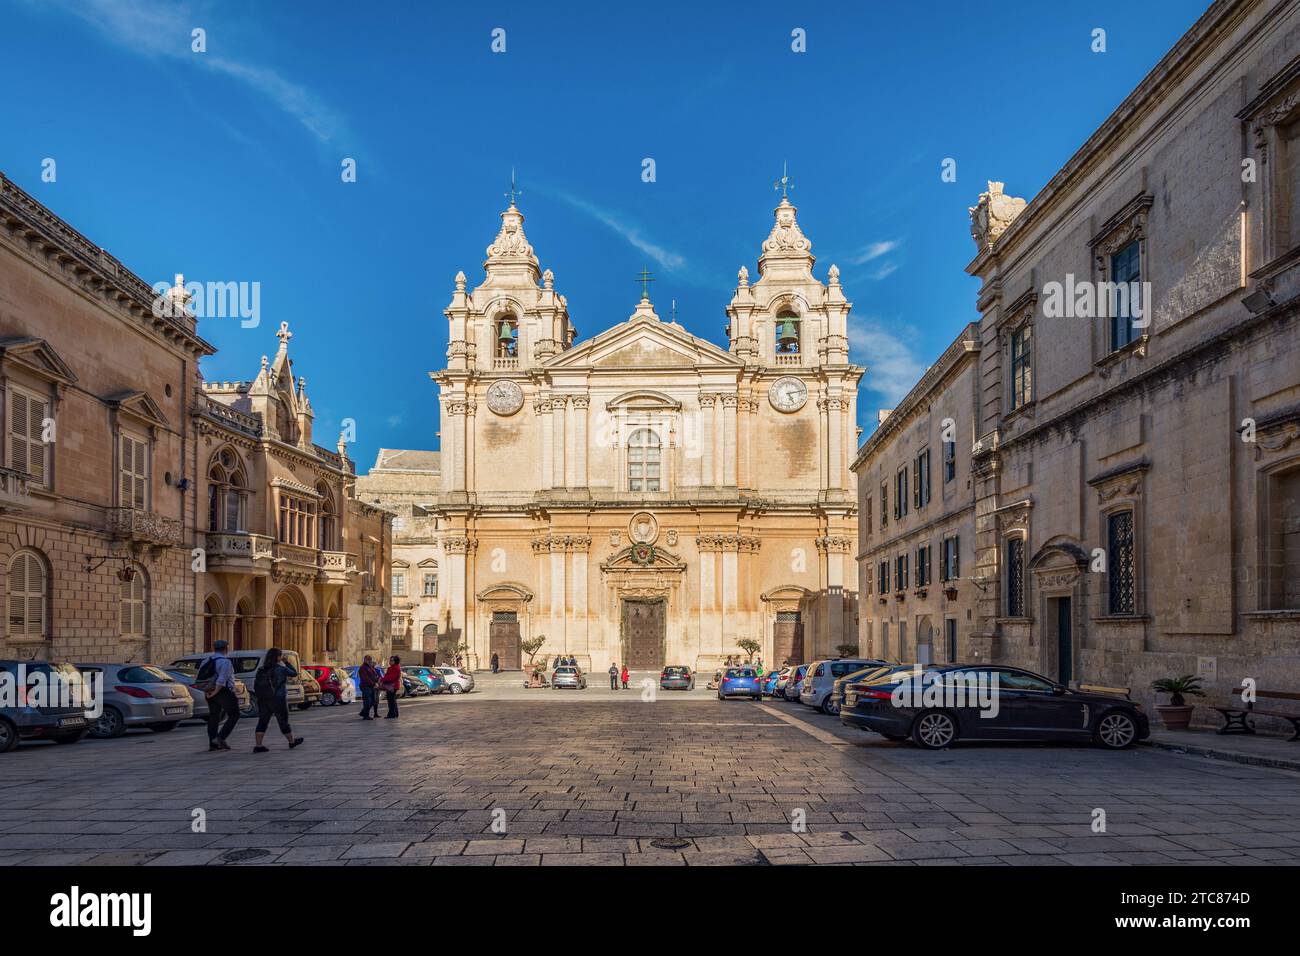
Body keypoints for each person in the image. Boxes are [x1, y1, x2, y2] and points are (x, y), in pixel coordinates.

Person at [252, 648, 303, 753]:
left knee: (262, 721)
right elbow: (294, 673)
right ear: (278, 657)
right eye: (280, 656)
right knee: (283, 721)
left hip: (263, 699)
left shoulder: (261, 669)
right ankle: (291, 741)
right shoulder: (280, 669)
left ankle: (258, 745)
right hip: (278, 699)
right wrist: (287, 662)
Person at [204, 639, 239, 752]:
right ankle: (220, 738)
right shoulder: (225, 662)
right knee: (234, 714)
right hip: (222, 691)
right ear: (226, 648)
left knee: (214, 716)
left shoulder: (207, 660)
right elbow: (221, 680)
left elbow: (202, 678)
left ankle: (212, 743)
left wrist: (209, 691)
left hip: (209, 691)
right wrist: (215, 692)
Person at [357, 655, 381, 719]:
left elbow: (374, 675)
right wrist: (373, 684)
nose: (370, 661)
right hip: (366, 686)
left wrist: (376, 680)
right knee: (367, 701)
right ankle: (366, 715)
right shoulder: (363, 668)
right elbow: (365, 678)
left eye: (370, 660)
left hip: (371, 686)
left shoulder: (369, 667)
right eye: (368, 660)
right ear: (365, 660)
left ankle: (363, 712)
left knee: (373, 701)